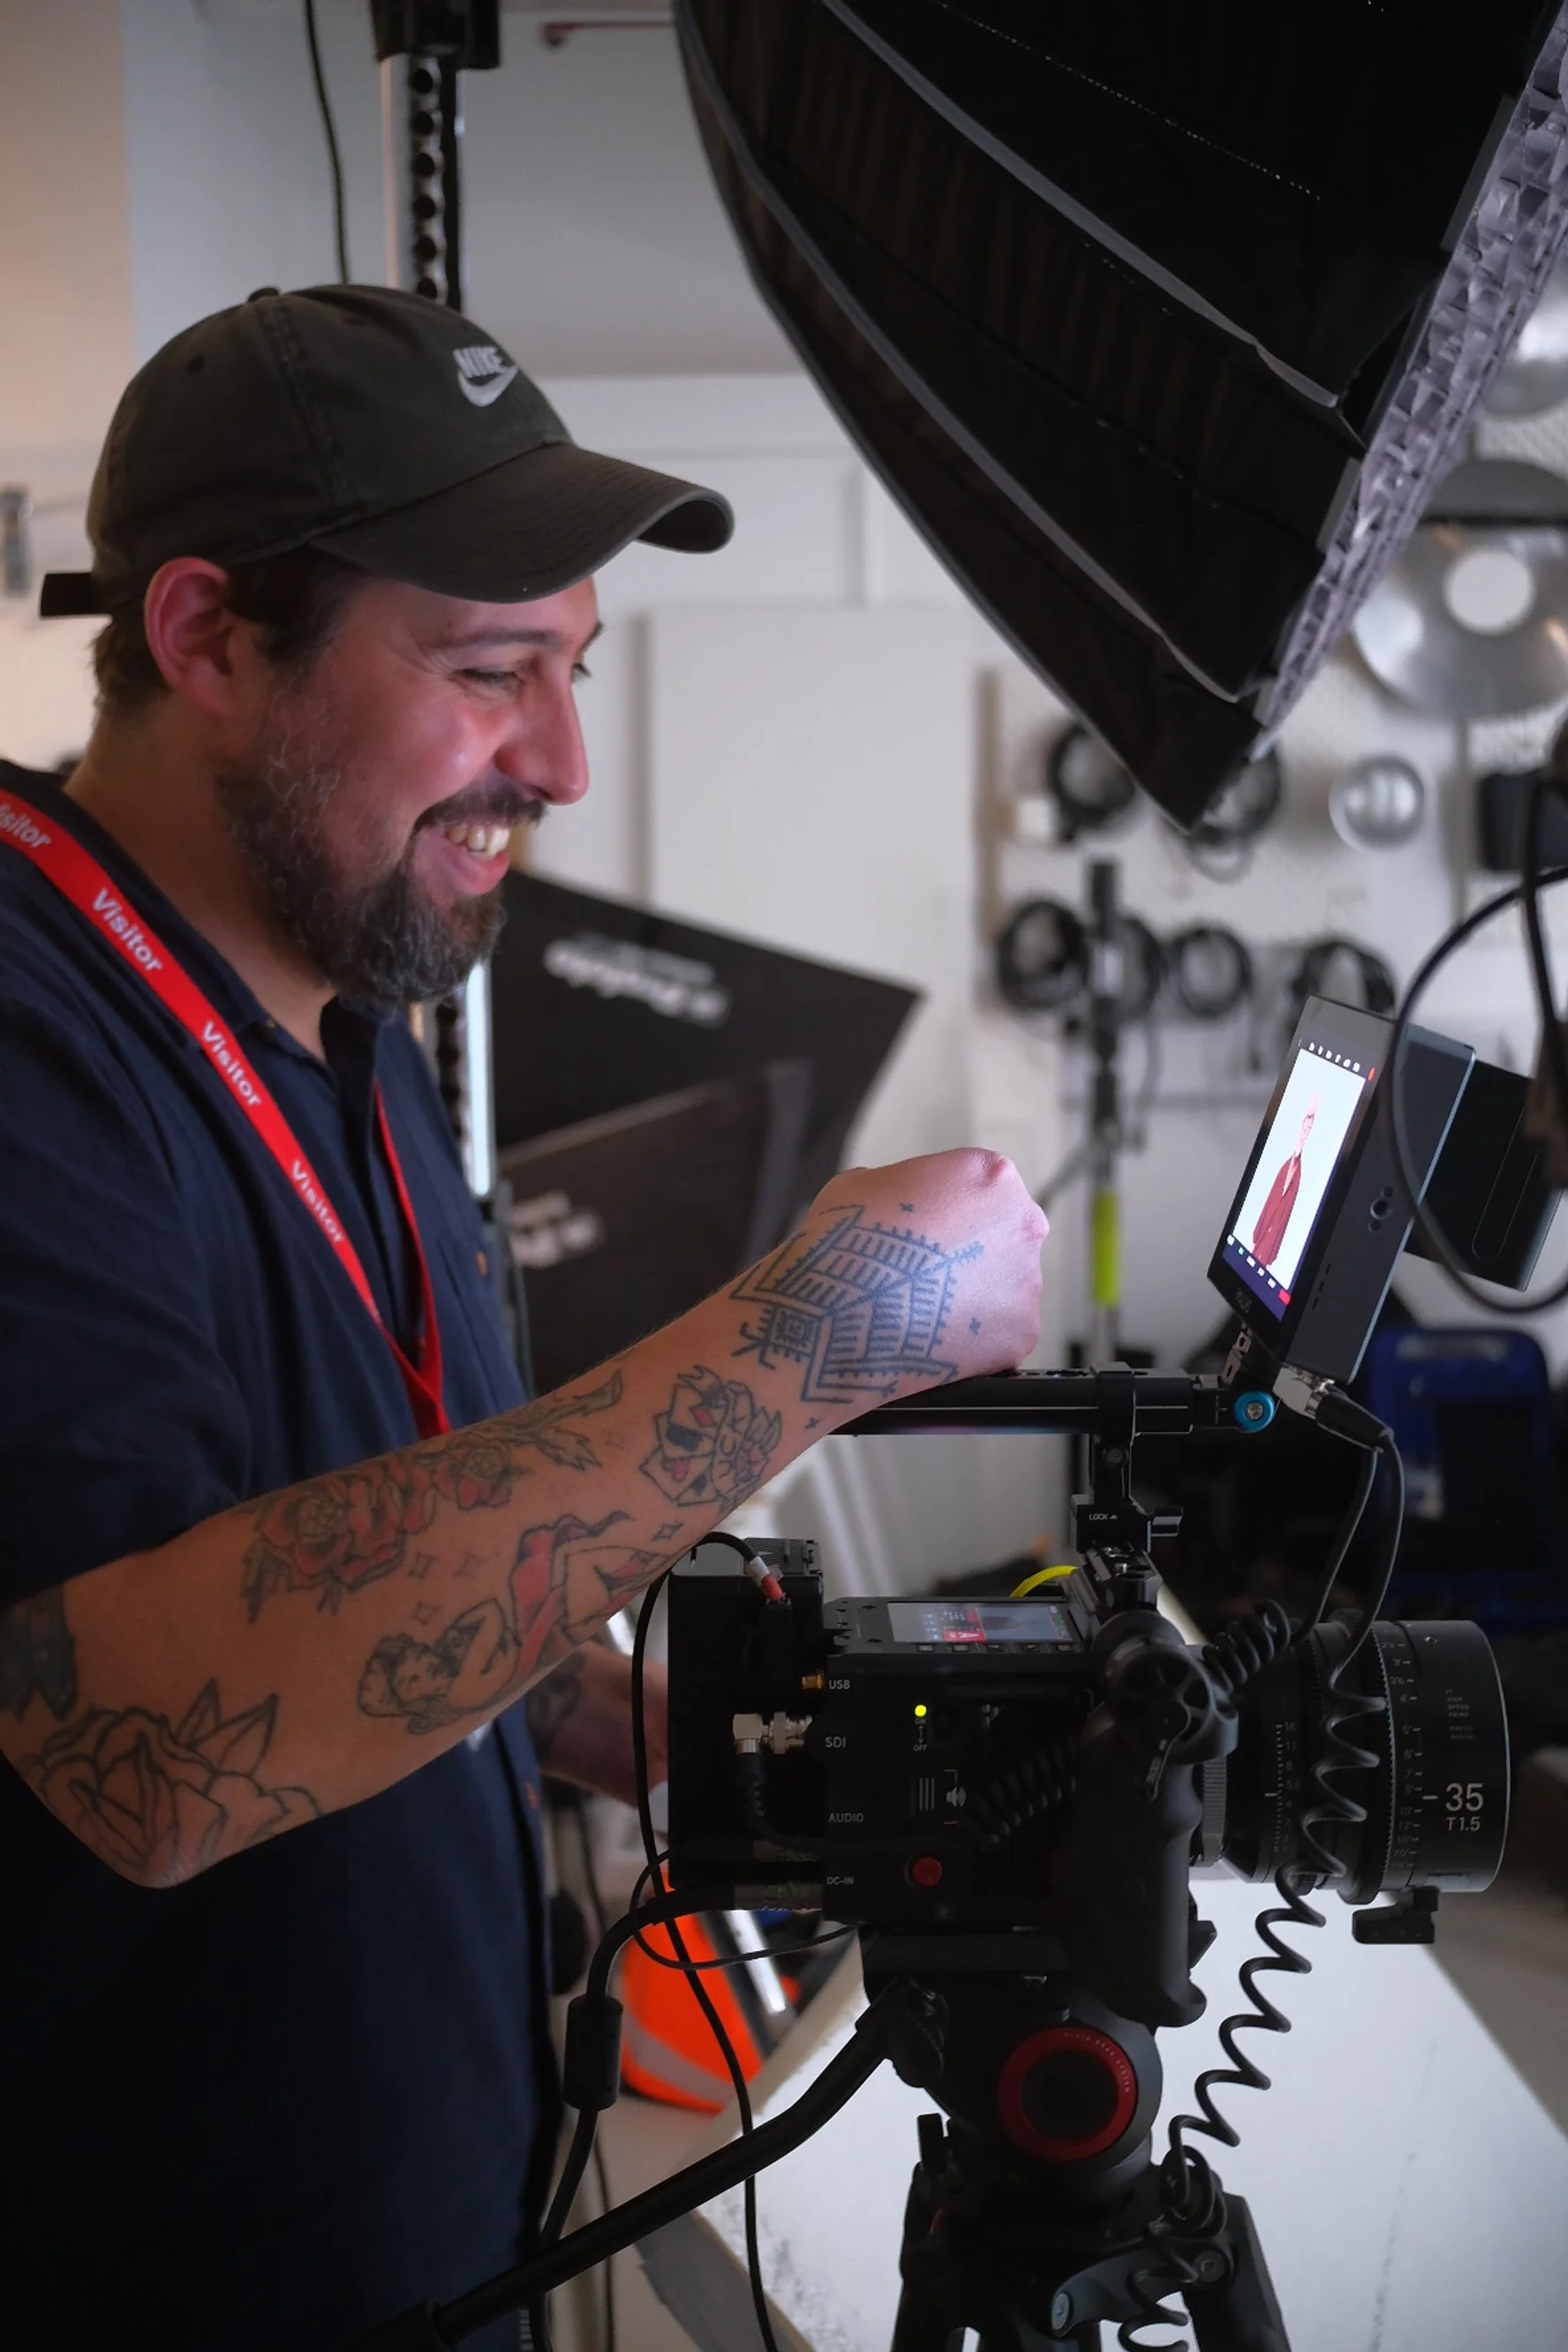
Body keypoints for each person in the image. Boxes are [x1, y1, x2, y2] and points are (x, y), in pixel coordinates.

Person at [0, 286, 1047, 2352]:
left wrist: (592, 1709)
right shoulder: (35, 1035)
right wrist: (816, 1330)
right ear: (208, 638)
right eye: (490, 673)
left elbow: (330, 1531)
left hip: (422, 2209)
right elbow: (129, 1743)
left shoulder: (360, 997)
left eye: (574, 667)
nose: (559, 760)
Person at [1250, 1096, 1318, 1269]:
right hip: (1262, 1235)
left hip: (1272, 1241)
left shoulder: (1299, 1168)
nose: (1305, 1132)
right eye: (1305, 1127)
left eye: (1309, 1129)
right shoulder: (1287, 1164)